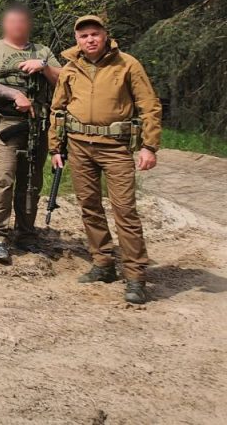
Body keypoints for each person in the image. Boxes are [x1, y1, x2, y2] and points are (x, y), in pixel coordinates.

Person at [49, 15, 161, 305]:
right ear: (77, 40)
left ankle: (135, 276)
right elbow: (57, 109)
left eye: (94, 34)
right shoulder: (70, 68)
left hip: (115, 148)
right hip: (78, 147)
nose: (90, 40)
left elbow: (149, 105)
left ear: (105, 35)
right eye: (83, 35)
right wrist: (55, 148)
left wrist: (149, 146)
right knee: (89, 206)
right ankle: (103, 263)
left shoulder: (127, 64)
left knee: (125, 210)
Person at [0, 3, 62, 262]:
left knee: (31, 182)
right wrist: (15, 93)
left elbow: (64, 80)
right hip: (5, 124)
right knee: (3, 179)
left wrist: (44, 66)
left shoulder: (43, 51)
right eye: (13, 21)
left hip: (37, 126)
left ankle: (26, 233)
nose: (18, 26)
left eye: (22, 21)